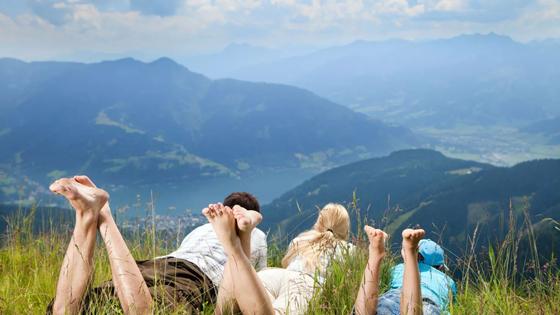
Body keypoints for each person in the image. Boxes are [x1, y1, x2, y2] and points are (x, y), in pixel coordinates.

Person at [46, 175, 267, 315]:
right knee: (148, 311)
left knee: (65, 310)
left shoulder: (200, 229)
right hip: (192, 277)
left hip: (144, 269)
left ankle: (88, 215)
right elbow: (255, 281)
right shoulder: (256, 234)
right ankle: (104, 216)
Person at [204, 202, 353, 315]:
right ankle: (235, 249)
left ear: (319, 222)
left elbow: (286, 263)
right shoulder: (350, 250)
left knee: (226, 310)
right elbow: (347, 282)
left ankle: (243, 238)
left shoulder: (301, 239)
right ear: (345, 228)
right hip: (304, 284)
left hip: (275, 275)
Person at [354, 227, 457, 315]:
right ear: (440, 267)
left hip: (392, 297)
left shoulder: (398, 268)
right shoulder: (448, 281)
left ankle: (375, 254)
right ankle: (410, 252)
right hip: (428, 303)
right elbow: (450, 306)